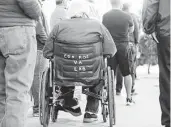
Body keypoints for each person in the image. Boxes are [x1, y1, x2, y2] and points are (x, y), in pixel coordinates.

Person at [43, 0, 116, 123]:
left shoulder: (59, 26)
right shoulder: (97, 25)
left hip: (64, 75)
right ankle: (90, 112)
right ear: (85, 12)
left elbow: (47, 52)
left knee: (63, 70)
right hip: (91, 74)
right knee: (98, 71)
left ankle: (69, 102)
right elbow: (111, 50)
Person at [0, 0, 41, 127]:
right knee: (17, 91)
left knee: (1, 92)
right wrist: (38, 9)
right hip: (17, 31)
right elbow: (29, 4)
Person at [142, 0, 170, 127]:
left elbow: (151, 3)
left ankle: (169, 120)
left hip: (167, 29)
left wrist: (150, 27)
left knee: (167, 75)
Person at [102, 0, 135, 105]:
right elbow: (131, 30)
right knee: (126, 72)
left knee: (110, 71)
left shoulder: (105, 16)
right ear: (120, 4)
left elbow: (103, 30)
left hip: (110, 47)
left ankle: (108, 96)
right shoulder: (127, 16)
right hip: (123, 47)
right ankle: (129, 98)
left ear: (111, 3)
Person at [115, 2, 139, 96]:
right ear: (129, 8)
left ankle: (118, 89)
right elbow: (135, 30)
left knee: (120, 68)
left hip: (119, 44)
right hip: (130, 43)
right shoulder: (132, 16)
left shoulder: (118, 16)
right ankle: (131, 89)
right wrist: (136, 43)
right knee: (131, 67)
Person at [31, 0, 49, 117]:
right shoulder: (36, 9)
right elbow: (40, 30)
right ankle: (38, 107)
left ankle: (37, 106)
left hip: (36, 47)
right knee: (39, 78)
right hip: (39, 48)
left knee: (36, 77)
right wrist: (49, 44)